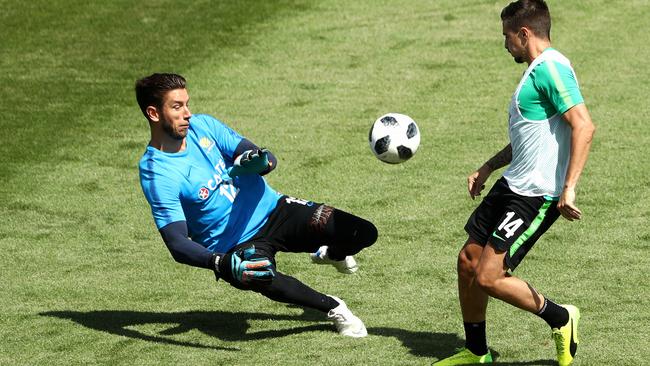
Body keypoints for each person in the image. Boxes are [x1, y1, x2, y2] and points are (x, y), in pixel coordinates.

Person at [136, 73, 378, 338]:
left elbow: (261, 156)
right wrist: (221, 262)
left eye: (187, 103)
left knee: (363, 232)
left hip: (276, 210)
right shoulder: (157, 173)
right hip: (235, 244)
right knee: (258, 273)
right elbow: (176, 242)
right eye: (177, 106)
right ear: (154, 113)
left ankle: (333, 253)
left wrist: (260, 162)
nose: (188, 114)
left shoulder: (203, 126)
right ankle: (334, 307)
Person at [434, 1, 595, 365]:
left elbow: (584, 125)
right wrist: (489, 166)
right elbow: (530, 136)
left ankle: (561, 317)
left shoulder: (551, 68)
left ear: (524, 34)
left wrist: (569, 187)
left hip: (535, 196)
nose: (505, 44)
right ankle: (476, 352)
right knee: (467, 261)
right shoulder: (536, 71)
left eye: (507, 37)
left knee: (490, 276)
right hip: (512, 185)